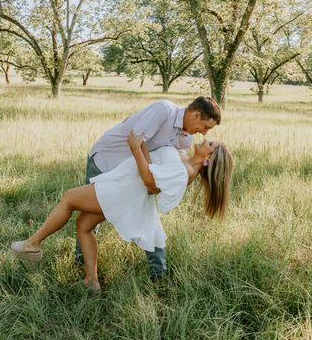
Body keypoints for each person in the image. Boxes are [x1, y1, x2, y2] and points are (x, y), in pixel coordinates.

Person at [10, 132, 233, 292]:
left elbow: (149, 182)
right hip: (124, 188)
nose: (205, 139)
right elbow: (153, 165)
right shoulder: (185, 160)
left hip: (122, 191)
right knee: (84, 226)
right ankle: (91, 281)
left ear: (208, 160)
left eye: (210, 144)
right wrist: (145, 144)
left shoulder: (184, 172)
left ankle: (33, 244)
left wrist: (136, 147)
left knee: (69, 197)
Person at [78, 96, 222, 279]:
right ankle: (80, 262)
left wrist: (160, 180)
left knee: (138, 216)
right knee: (90, 215)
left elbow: (175, 169)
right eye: (206, 127)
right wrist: (152, 179)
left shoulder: (185, 139)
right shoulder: (164, 111)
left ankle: (156, 272)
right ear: (195, 115)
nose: (205, 133)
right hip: (107, 160)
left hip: (134, 176)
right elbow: (136, 141)